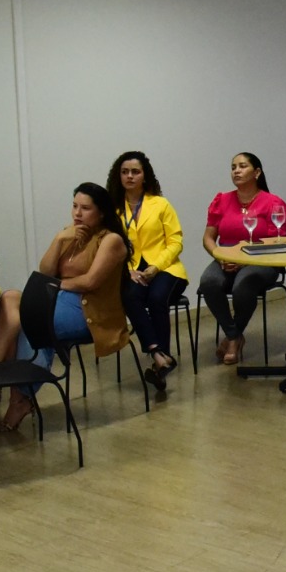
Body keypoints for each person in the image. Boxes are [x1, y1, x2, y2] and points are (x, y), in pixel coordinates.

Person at [0, 183, 130, 431]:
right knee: (9, 298)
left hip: (89, 311)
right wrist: (60, 238)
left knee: (30, 324)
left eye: (85, 208)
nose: (77, 214)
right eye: (74, 206)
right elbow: (45, 271)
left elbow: (90, 282)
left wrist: (55, 286)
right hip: (58, 300)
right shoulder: (70, 234)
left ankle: (17, 396)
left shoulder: (111, 240)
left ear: (101, 212)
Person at [198, 152, 286, 366]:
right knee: (208, 282)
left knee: (243, 285)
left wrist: (245, 261)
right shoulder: (222, 200)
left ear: (256, 172)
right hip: (227, 256)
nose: (236, 171)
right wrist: (219, 256)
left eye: (242, 166)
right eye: (233, 167)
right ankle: (234, 335)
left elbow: (279, 241)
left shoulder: (273, 203)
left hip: (263, 258)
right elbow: (208, 237)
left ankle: (232, 338)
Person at [105, 151, 187, 393]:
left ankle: (160, 358)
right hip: (131, 269)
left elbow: (175, 242)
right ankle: (159, 355)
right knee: (129, 296)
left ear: (145, 176)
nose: (130, 176)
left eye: (135, 172)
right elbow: (108, 244)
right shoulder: (113, 209)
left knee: (157, 298)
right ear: (118, 176)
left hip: (166, 267)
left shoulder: (160, 204)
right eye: (125, 172)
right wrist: (127, 270)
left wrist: (155, 267)